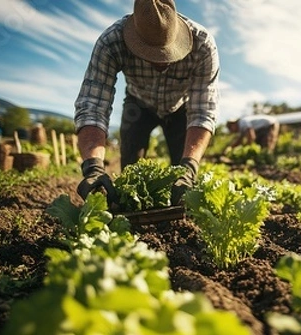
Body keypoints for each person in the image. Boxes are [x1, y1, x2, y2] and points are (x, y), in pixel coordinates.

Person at [74, 0, 220, 206]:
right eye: (151, 54)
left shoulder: (202, 45)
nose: (161, 61)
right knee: (130, 175)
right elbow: (93, 105)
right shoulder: (111, 42)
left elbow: (203, 110)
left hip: (181, 110)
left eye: (168, 52)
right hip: (138, 105)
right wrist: (93, 166)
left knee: (182, 173)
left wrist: (190, 167)